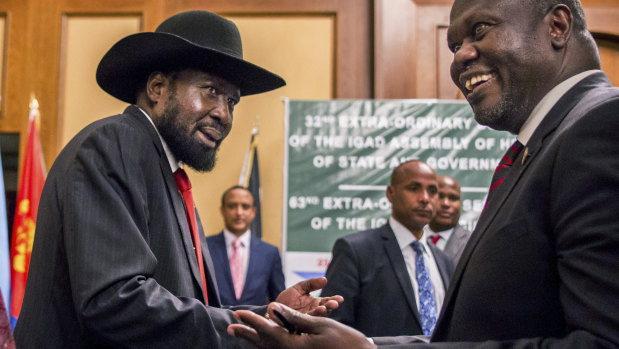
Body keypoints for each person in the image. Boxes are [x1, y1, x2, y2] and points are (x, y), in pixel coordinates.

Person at [227, 0, 619, 347]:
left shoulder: (602, 124)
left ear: (558, 26)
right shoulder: (541, 147)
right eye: (453, 45)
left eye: (480, 29)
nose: (460, 56)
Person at [13, 10, 342, 349]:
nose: (224, 114)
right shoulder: (115, 144)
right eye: (211, 90)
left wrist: (271, 317)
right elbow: (116, 303)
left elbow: (192, 310)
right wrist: (256, 334)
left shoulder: (168, 175)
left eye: (232, 101)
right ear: (158, 88)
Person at [320, 160, 454, 337]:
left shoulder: (444, 262)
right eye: (414, 188)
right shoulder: (355, 251)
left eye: (432, 191)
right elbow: (332, 328)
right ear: (391, 193)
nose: (425, 198)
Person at [207, 186, 285, 306]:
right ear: (222, 210)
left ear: (253, 212)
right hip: (214, 323)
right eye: (232, 206)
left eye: (245, 206)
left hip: (255, 324)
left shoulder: (270, 253)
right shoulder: (205, 248)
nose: (239, 212)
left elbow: (279, 301)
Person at [426, 175, 471, 265]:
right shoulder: (413, 239)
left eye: (453, 198)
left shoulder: (473, 243)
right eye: (440, 196)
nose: (446, 204)